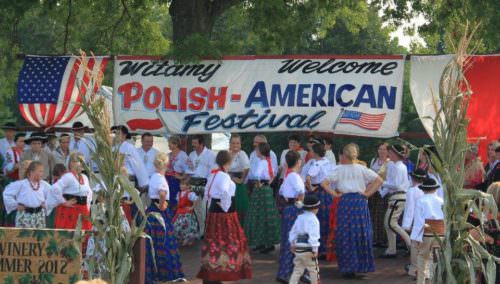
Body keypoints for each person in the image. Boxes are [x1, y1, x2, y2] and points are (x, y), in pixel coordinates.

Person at [322, 144, 383, 279]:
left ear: (344, 155)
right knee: (360, 232)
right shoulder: (362, 168)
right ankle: (361, 266)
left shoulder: (339, 169)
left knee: (345, 234)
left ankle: (347, 267)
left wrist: (334, 194)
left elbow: (324, 183)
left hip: (345, 202)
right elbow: (379, 180)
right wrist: (367, 193)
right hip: (359, 202)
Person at [197, 150, 252, 282]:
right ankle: (220, 274)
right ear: (229, 162)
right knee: (228, 244)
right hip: (225, 215)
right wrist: (228, 211)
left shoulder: (213, 175)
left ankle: (212, 274)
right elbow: (225, 196)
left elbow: (208, 194)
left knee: (214, 243)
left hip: (214, 213)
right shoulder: (223, 176)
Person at [145, 152, 186, 283]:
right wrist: (163, 205)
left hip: (153, 209)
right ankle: (164, 273)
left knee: (155, 242)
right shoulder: (159, 178)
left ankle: (156, 271)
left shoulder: (154, 177)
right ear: (166, 164)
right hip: (159, 212)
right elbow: (162, 193)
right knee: (164, 242)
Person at [244, 142, 281, 253]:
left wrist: (260, 183)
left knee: (259, 215)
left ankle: (262, 242)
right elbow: (274, 174)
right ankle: (265, 242)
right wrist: (268, 183)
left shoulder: (262, 162)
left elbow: (256, 174)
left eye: (257, 149)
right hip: (266, 189)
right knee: (266, 216)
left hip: (260, 190)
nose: (256, 151)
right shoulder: (268, 161)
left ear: (260, 151)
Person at [276, 150, 305, 283]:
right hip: (294, 209)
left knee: (290, 239)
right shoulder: (294, 176)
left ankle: (289, 271)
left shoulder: (288, 175)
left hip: (288, 209)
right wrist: (300, 205)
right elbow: (301, 192)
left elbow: (281, 191)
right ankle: (288, 273)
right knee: (294, 240)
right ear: (298, 162)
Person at [410, 178, 445, 284]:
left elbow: (419, 221)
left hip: (426, 233)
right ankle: (435, 280)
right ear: (435, 189)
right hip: (440, 233)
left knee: (422, 257)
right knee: (437, 259)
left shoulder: (421, 200)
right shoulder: (441, 200)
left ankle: (421, 281)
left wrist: (416, 237)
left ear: (423, 189)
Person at [380, 144, 411, 258]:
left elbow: (396, 184)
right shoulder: (395, 165)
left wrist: (381, 183)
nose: (389, 154)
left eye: (391, 152)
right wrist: (382, 192)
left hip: (398, 197)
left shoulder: (399, 167)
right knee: (388, 223)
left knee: (390, 223)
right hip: (395, 197)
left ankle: (411, 245)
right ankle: (391, 249)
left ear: (395, 154)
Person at [3, 161, 53, 228]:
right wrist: (15, 205)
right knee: (23, 237)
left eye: (42, 171)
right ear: (32, 172)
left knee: (37, 238)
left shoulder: (44, 184)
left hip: (39, 216)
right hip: (24, 215)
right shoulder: (21, 184)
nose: (42, 174)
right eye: (40, 171)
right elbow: (7, 193)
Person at [51, 153, 92, 231]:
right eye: (75, 161)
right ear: (70, 164)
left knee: (84, 237)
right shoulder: (67, 176)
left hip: (83, 211)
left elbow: (89, 195)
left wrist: (87, 209)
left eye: (81, 161)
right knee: (68, 237)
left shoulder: (85, 177)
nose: (79, 164)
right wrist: (64, 202)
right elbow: (54, 189)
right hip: (70, 211)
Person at [304, 142, 332, 258]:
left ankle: (319, 249)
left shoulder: (316, 164)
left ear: (315, 153)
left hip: (318, 192)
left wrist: (310, 189)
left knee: (317, 219)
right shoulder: (328, 162)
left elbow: (308, 178)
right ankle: (326, 248)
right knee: (326, 219)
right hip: (327, 192)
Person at [289, 195, 321, 284]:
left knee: (297, 270)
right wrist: (315, 249)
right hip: (308, 248)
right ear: (314, 208)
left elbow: (293, 232)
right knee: (313, 269)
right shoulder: (314, 220)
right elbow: (314, 236)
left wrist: (292, 243)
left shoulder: (300, 217)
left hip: (298, 247)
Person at [187, 135, 216, 236]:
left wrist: (209, 186)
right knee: (195, 208)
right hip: (193, 183)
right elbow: (189, 169)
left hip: (205, 184)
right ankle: (199, 230)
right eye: (193, 144)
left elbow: (213, 171)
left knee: (204, 209)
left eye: (195, 144)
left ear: (202, 144)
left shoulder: (210, 154)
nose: (193, 146)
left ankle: (206, 231)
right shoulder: (191, 154)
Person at [401, 168, 427, 277]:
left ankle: (415, 269)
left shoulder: (412, 191)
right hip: (429, 222)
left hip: (417, 222)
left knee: (415, 246)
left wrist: (406, 225)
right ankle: (425, 269)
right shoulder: (428, 190)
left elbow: (409, 209)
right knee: (426, 246)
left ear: (413, 178)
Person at [368, 142, 390, 247]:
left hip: (383, 191)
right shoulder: (374, 161)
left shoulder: (389, 162)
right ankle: (375, 238)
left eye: (384, 149)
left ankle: (383, 239)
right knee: (373, 214)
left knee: (382, 215)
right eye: (380, 149)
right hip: (373, 190)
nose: (381, 151)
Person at [228, 134, 250, 225]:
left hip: (238, 185)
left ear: (240, 144)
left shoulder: (242, 154)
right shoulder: (227, 154)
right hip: (228, 184)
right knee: (229, 208)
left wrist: (241, 180)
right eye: (233, 143)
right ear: (230, 144)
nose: (235, 145)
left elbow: (247, 167)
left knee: (239, 209)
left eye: (237, 143)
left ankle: (240, 233)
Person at [173, 176, 199, 246]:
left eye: (183, 184)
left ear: (188, 186)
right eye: (181, 184)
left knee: (188, 227)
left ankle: (188, 240)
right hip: (179, 213)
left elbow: (196, 199)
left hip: (187, 214)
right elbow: (179, 203)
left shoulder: (190, 194)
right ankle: (181, 239)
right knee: (177, 226)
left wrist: (192, 207)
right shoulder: (179, 194)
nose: (181, 186)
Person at [166, 135, 189, 212]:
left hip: (176, 182)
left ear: (176, 144)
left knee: (175, 202)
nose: (168, 145)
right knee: (168, 201)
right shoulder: (168, 155)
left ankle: (175, 220)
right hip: (167, 181)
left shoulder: (183, 155)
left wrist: (181, 177)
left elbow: (188, 169)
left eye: (170, 143)